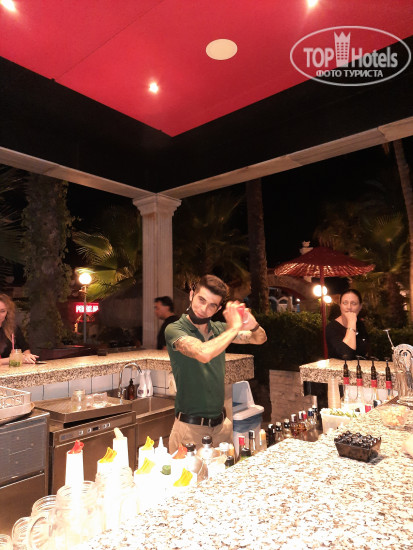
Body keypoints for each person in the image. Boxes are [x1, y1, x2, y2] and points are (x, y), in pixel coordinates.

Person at [165, 274, 267, 453]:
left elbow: (260, 339)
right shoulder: (175, 329)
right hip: (190, 430)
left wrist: (253, 325)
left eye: (212, 305)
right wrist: (234, 327)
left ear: (218, 308)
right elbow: (203, 353)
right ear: (191, 295)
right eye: (201, 300)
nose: (204, 309)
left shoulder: (219, 329)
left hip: (222, 428)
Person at [326, 289, 369, 359]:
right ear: (340, 305)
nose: (349, 307)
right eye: (345, 303)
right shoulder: (332, 327)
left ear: (360, 307)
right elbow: (346, 354)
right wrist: (351, 322)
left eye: (353, 303)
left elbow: (365, 351)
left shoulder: (360, 324)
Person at [0, 293, 38, 365]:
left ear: (7, 312)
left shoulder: (13, 328)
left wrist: (27, 356)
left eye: (2, 311)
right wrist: (14, 359)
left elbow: (25, 349)